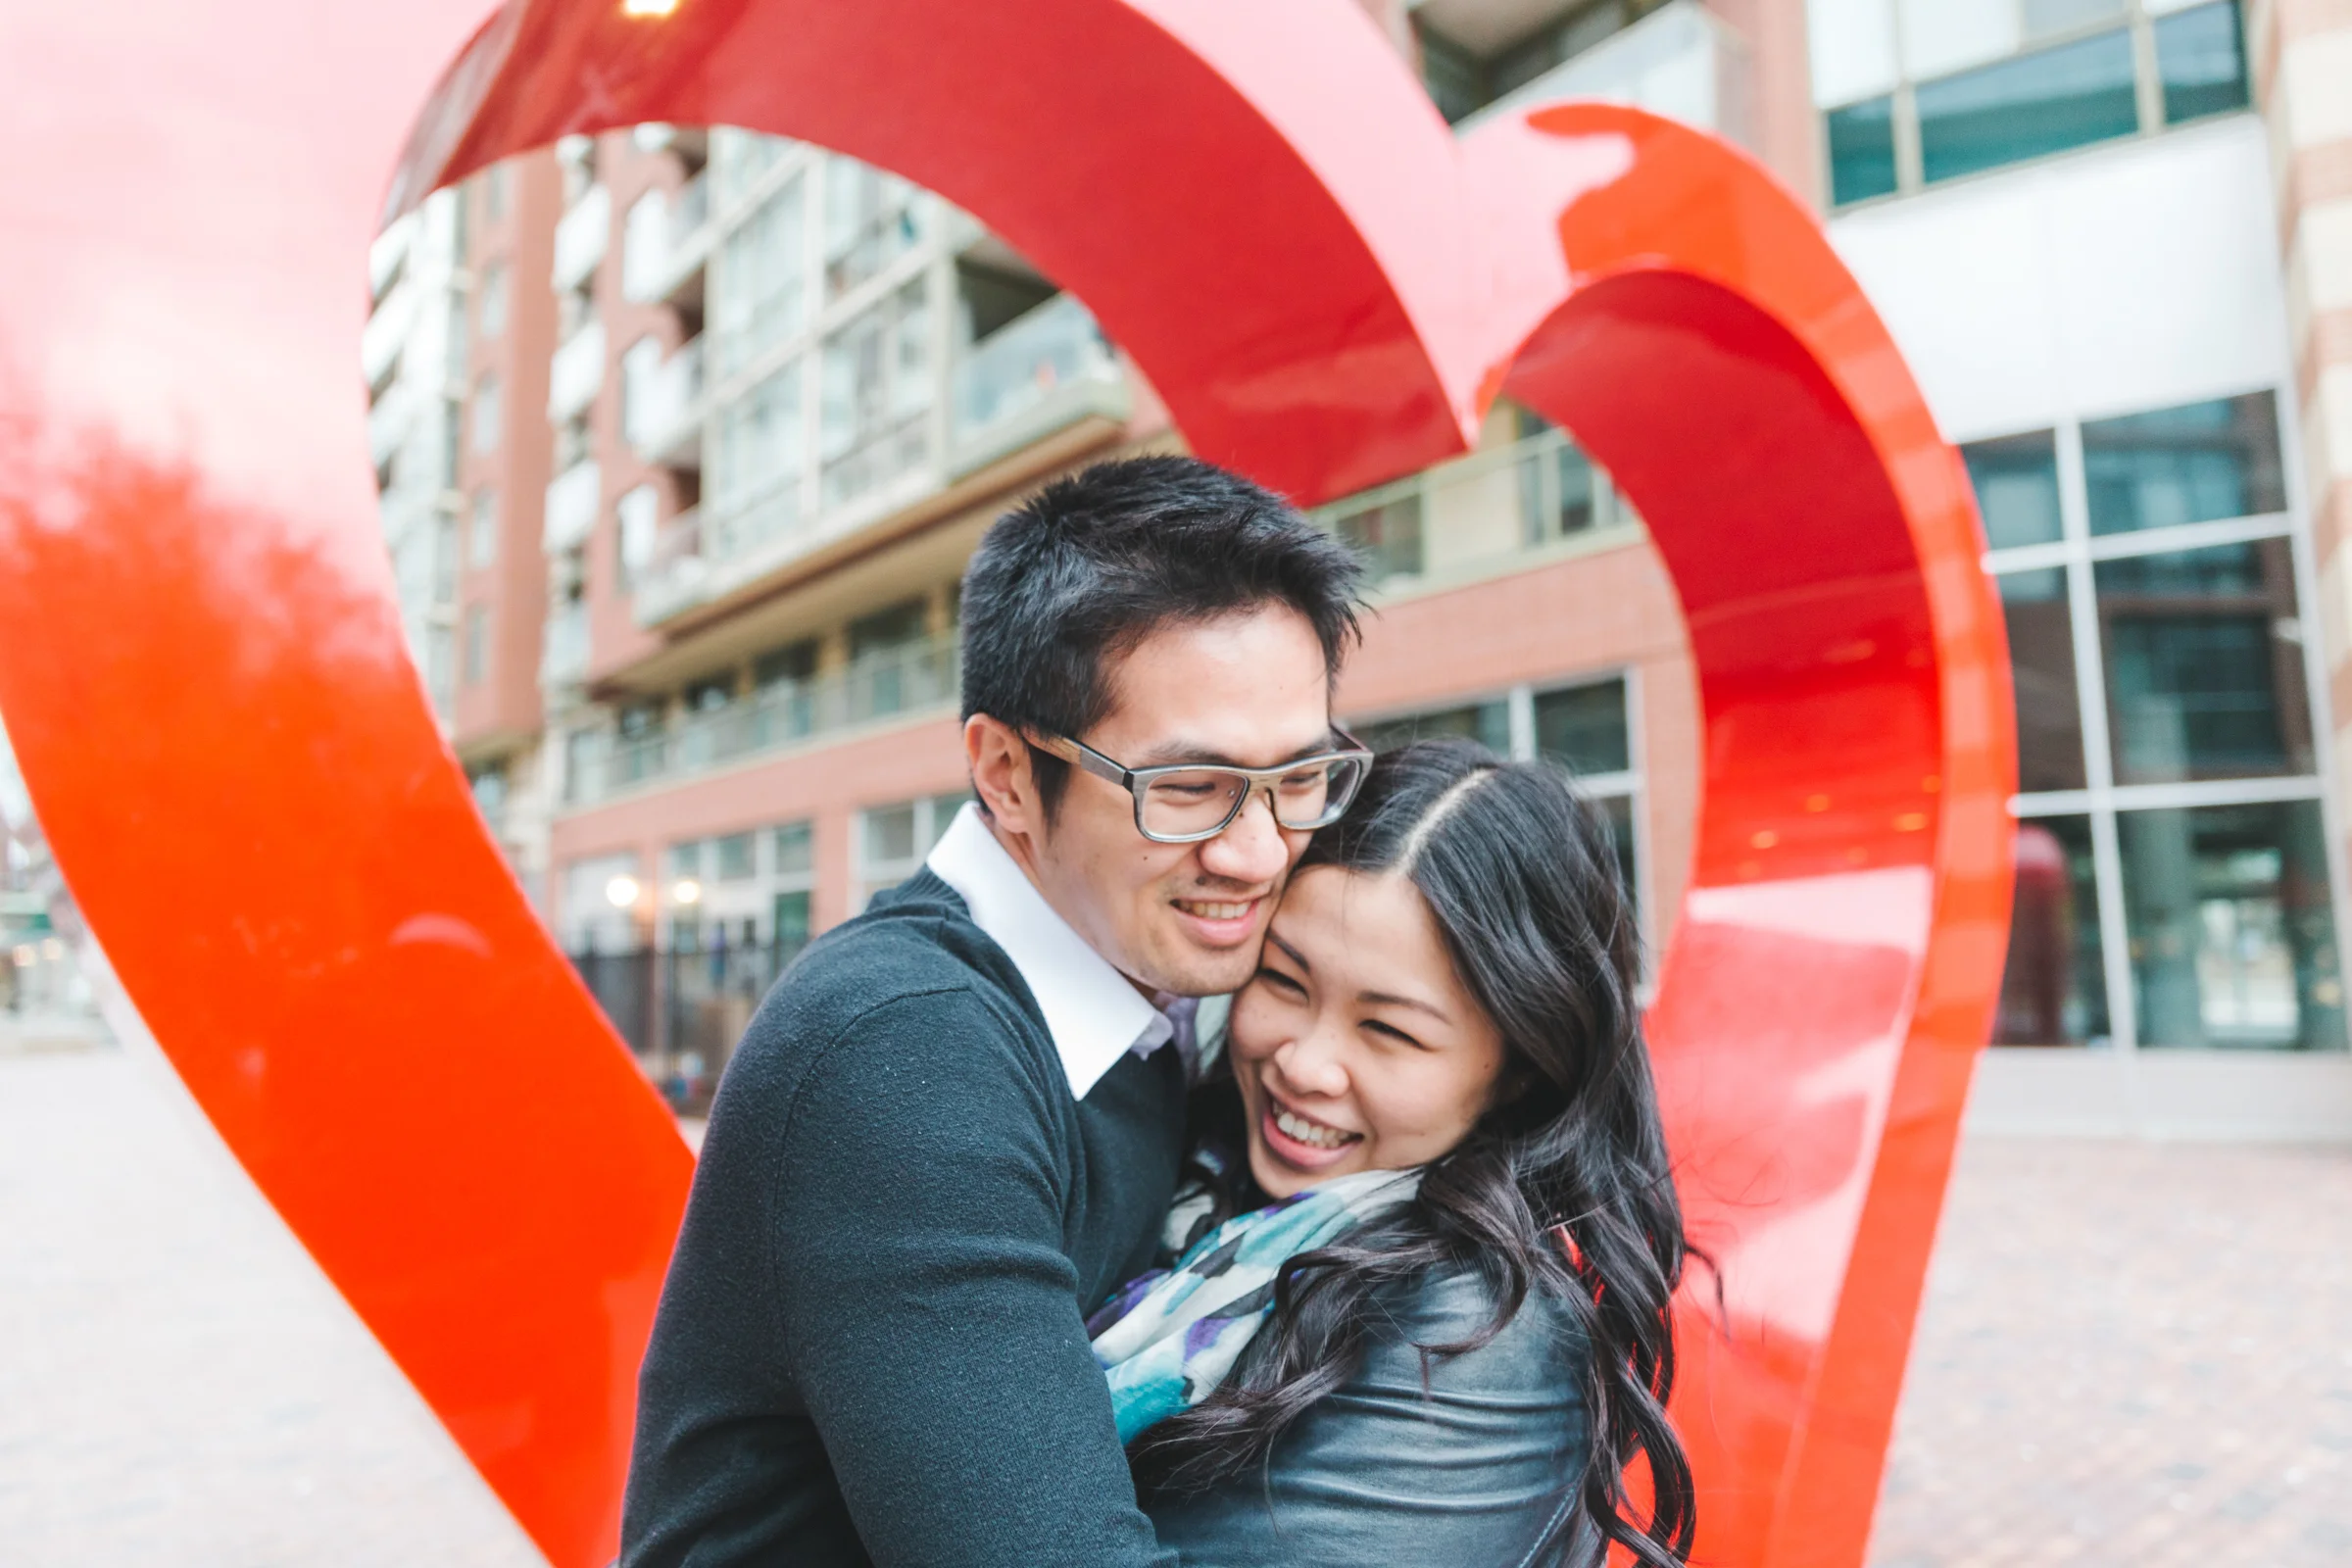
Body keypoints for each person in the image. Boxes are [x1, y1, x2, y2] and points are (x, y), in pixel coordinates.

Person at [618, 456, 1372, 1568]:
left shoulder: (1139, 1005)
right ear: (1008, 773)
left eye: (1297, 778)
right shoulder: (902, 1049)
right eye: (1187, 789)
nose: (1257, 852)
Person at [1088, 738, 1698, 1568]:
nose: (1302, 1064)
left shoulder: (1480, 1343)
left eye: (1388, 1031)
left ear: (1521, 1071)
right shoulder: (1189, 1171)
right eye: (1284, 981)